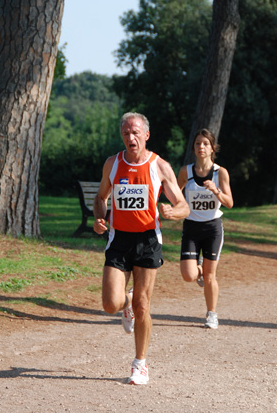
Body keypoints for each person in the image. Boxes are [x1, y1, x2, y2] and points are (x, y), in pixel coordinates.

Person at [93, 112, 190, 385]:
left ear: (146, 135)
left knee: (143, 305)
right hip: (119, 239)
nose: (130, 137)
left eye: (135, 132)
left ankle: (140, 364)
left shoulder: (159, 166)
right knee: (111, 303)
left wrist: (173, 212)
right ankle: (127, 304)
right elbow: (101, 198)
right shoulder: (112, 164)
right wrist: (99, 219)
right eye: (125, 133)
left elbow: (184, 205)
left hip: (148, 239)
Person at [177, 129, 233, 330]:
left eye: (205, 144)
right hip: (191, 227)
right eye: (198, 143)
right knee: (188, 275)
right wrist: (175, 207)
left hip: (212, 229)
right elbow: (176, 193)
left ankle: (211, 314)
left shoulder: (220, 173)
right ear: (194, 147)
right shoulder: (186, 172)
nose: (201, 147)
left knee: (210, 276)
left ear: (212, 148)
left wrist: (215, 190)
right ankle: (198, 268)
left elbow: (229, 203)